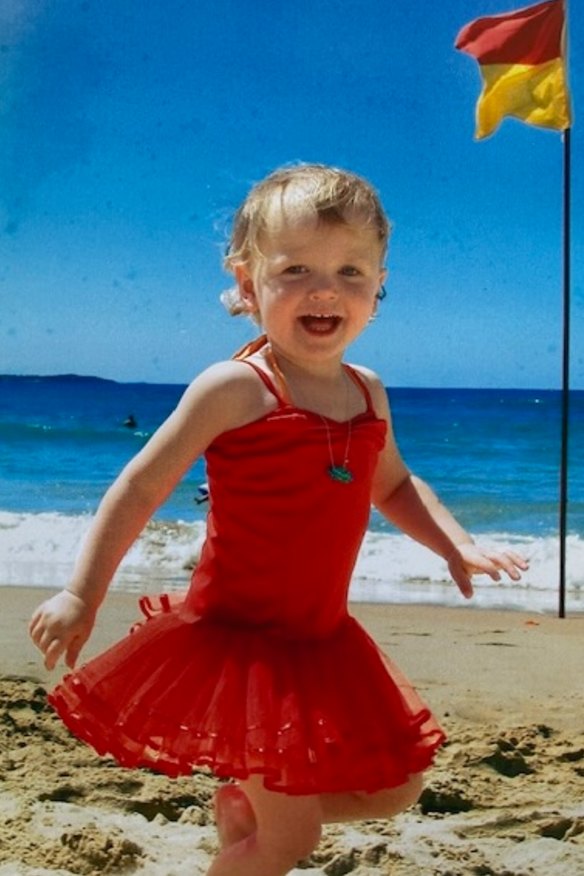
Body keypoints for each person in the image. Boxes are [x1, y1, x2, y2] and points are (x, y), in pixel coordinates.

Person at [29, 163, 527, 876]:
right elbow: (140, 487)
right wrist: (81, 594)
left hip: (322, 642)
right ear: (245, 281)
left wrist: (457, 544)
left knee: (395, 785)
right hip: (243, 649)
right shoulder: (236, 387)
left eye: (351, 271)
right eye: (295, 269)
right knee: (293, 842)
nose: (326, 289)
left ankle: (243, 807)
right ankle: (257, 829)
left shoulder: (368, 392)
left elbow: (394, 484)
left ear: (379, 287)